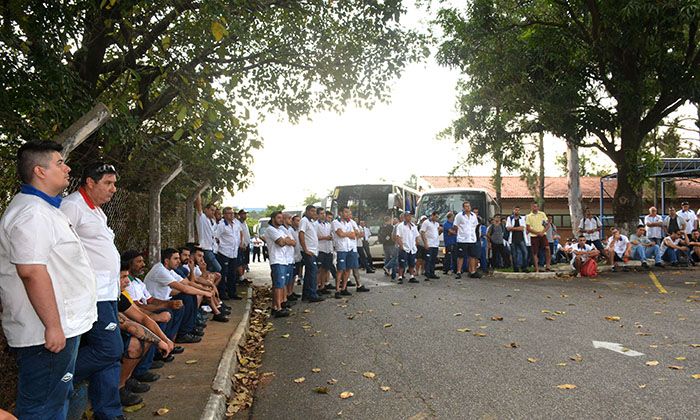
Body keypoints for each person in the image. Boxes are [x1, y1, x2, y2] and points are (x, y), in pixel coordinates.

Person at [0, 141, 97, 419]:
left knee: (55, 401)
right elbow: (31, 271)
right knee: (43, 408)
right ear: (39, 171)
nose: (67, 168)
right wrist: (53, 326)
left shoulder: (46, 209)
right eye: (59, 163)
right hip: (45, 332)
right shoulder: (32, 213)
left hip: (59, 327)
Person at [61, 162, 125, 418]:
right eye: (108, 183)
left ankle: (109, 412)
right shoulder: (72, 207)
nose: (114, 189)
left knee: (110, 358)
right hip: (92, 294)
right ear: (90, 182)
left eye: (114, 183)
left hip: (108, 293)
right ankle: (58, 376)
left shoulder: (96, 211)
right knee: (110, 349)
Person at [116, 266, 173, 406]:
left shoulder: (121, 296)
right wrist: (160, 341)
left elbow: (143, 318)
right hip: (102, 340)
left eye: (127, 277)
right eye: (123, 277)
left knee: (148, 337)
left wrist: (165, 339)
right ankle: (118, 388)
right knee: (137, 342)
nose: (127, 282)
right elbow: (130, 325)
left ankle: (127, 379)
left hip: (121, 333)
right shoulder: (105, 298)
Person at [264, 211, 293, 317]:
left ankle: (276, 306)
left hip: (283, 260)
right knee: (278, 285)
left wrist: (285, 240)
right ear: (273, 219)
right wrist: (286, 241)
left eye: (282, 218)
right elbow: (280, 243)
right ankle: (278, 308)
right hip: (277, 260)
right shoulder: (270, 230)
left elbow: (293, 242)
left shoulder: (279, 230)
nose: (281, 219)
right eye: (279, 218)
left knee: (281, 284)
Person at [214, 207, 243, 300]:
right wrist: (220, 246)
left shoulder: (236, 223)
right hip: (224, 252)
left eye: (232, 213)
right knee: (223, 273)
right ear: (225, 215)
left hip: (234, 252)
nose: (232, 215)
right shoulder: (222, 225)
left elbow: (240, 233)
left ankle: (232, 292)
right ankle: (222, 293)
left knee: (232, 274)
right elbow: (216, 237)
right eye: (229, 213)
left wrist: (240, 243)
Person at [298, 205, 324, 302]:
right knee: (313, 272)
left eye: (315, 211)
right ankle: (313, 294)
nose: (314, 213)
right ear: (307, 211)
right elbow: (301, 234)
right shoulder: (304, 221)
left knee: (309, 273)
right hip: (308, 251)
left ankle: (306, 294)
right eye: (312, 211)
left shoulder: (311, 222)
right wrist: (305, 249)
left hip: (313, 251)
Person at [332, 207, 357, 298]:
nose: (347, 214)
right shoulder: (335, 222)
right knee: (340, 270)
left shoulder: (349, 223)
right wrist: (348, 234)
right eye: (345, 212)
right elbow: (340, 234)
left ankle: (344, 288)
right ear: (340, 213)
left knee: (348, 269)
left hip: (349, 248)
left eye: (348, 212)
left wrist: (346, 234)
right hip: (341, 248)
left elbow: (354, 234)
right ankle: (337, 290)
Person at [453, 201, 481, 279]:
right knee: (461, 256)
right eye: (465, 206)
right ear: (463, 207)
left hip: (472, 239)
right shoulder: (459, 216)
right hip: (462, 239)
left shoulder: (473, 216)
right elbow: (455, 225)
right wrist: (461, 232)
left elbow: (475, 225)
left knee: (472, 256)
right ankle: (459, 271)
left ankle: (472, 271)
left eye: (468, 206)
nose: (467, 208)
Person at [194, 193, 222, 274]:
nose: (213, 212)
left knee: (210, 269)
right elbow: (198, 206)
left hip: (213, 249)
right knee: (217, 268)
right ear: (206, 209)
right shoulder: (202, 218)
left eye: (214, 210)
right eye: (211, 210)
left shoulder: (212, 221)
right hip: (205, 249)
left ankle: (208, 284)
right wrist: (198, 192)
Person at [526, 202, 551, 272]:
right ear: (531, 207)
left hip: (543, 234)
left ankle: (548, 266)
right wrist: (537, 233)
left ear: (538, 207)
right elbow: (528, 228)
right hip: (534, 236)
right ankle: (536, 268)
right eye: (533, 206)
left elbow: (547, 225)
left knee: (547, 248)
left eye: (536, 206)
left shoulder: (542, 214)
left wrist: (542, 232)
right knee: (535, 252)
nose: (535, 208)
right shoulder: (529, 216)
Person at [396, 212, 420, 284]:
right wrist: (401, 246)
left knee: (412, 263)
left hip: (412, 247)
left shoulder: (413, 226)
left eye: (410, 216)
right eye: (408, 216)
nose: (409, 217)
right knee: (402, 263)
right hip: (404, 247)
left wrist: (416, 244)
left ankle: (411, 276)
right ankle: (400, 277)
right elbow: (398, 236)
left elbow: (416, 236)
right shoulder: (401, 226)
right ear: (405, 217)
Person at [506, 206, 528, 272]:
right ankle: (516, 268)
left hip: (521, 238)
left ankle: (524, 267)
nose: (517, 211)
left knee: (525, 252)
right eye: (515, 210)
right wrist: (517, 228)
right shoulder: (510, 218)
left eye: (518, 210)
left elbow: (522, 228)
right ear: (513, 210)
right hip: (512, 239)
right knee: (514, 254)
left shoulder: (522, 218)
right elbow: (508, 228)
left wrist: (513, 228)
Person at [420, 211, 441, 280]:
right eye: (436, 217)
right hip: (429, 243)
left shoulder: (437, 224)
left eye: (437, 217)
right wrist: (425, 243)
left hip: (435, 244)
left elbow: (437, 233)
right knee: (428, 259)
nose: (437, 218)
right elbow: (422, 232)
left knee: (433, 259)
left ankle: (432, 272)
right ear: (432, 215)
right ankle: (427, 273)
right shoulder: (426, 222)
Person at [236, 209, 252, 283]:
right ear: (240, 215)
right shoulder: (237, 223)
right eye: (243, 214)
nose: (245, 215)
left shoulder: (244, 223)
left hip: (247, 244)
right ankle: (240, 277)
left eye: (245, 214)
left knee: (245, 262)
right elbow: (240, 234)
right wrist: (242, 243)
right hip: (241, 245)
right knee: (240, 262)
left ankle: (242, 276)